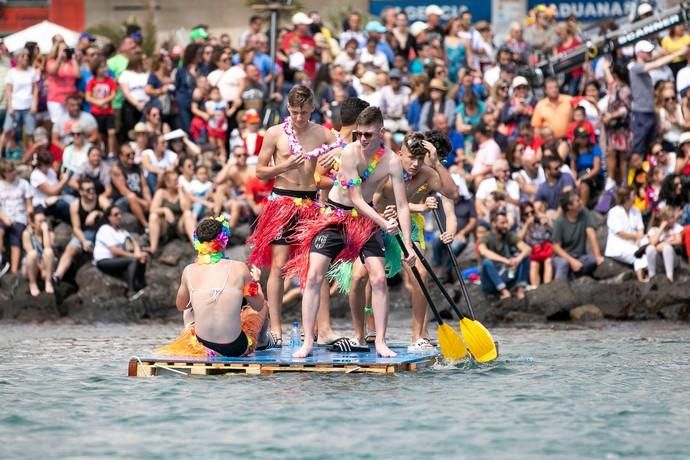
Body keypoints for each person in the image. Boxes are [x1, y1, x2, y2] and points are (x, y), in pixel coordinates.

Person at [283, 106, 415, 358]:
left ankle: (380, 342)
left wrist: (408, 245)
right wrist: (384, 222)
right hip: (337, 216)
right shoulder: (349, 154)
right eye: (359, 134)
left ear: (381, 132)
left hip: (365, 223)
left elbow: (402, 205)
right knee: (313, 276)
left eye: (368, 134)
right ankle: (308, 342)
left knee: (378, 278)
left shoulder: (392, 161)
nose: (362, 139)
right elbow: (356, 199)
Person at [248, 85, 340, 347]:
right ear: (288, 109)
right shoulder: (275, 133)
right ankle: (275, 328)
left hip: (310, 203)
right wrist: (285, 165)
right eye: (295, 112)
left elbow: (344, 152)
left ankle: (321, 329)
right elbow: (260, 171)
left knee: (315, 267)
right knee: (278, 266)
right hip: (282, 202)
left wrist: (333, 164)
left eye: (304, 112)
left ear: (312, 109)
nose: (299, 117)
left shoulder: (322, 133)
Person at [348, 132, 457, 350]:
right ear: (401, 154)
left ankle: (418, 337)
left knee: (420, 275)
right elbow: (368, 200)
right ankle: (359, 335)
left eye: (420, 158)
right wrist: (381, 213)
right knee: (359, 276)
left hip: (407, 227)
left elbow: (452, 192)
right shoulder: (386, 167)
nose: (415, 164)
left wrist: (436, 163)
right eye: (411, 158)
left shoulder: (427, 172)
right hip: (377, 224)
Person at [629, 40, 688, 166]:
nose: (651, 53)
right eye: (647, 51)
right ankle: (631, 181)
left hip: (649, 112)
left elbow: (658, 57)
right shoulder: (635, 67)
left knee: (652, 147)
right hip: (641, 114)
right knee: (638, 150)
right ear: (639, 53)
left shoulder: (641, 66)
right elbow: (656, 64)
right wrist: (678, 53)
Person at [53, 177, 104, 283]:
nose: (91, 192)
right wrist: (84, 241)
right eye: (88, 190)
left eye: (93, 189)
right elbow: (76, 228)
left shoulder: (101, 200)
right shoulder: (75, 205)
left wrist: (97, 213)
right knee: (70, 249)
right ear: (81, 192)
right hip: (85, 233)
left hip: (102, 231)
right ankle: (58, 275)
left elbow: (111, 214)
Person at [93, 205, 148, 300]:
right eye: (115, 214)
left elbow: (133, 242)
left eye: (120, 214)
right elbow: (114, 250)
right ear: (109, 217)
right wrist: (134, 256)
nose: (119, 216)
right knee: (133, 260)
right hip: (104, 261)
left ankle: (140, 285)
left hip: (117, 260)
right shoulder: (105, 229)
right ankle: (131, 292)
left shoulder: (122, 231)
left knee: (142, 257)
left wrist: (138, 253)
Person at [478, 209, 531, 299]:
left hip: (507, 275)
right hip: (491, 282)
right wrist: (505, 260)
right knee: (487, 262)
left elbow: (527, 249)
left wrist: (517, 259)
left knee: (525, 257)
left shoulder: (509, 235)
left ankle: (520, 289)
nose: (506, 225)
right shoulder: (485, 237)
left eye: (506, 222)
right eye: (502, 223)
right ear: (494, 223)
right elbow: (483, 251)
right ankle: (503, 291)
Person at [552, 190, 604, 280]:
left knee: (592, 260)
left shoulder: (584, 213)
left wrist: (598, 256)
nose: (581, 202)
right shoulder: (559, 222)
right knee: (564, 264)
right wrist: (571, 261)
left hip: (580, 256)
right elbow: (556, 247)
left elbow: (591, 234)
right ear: (569, 206)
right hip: (563, 257)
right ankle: (559, 289)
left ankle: (573, 277)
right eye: (577, 201)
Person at [148, 170, 196, 257]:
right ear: (167, 183)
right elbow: (152, 209)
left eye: (177, 179)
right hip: (166, 225)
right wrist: (165, 210)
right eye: (175, 180)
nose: (177, 182)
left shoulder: (182, 191)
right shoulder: (161, 192)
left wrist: (181, 192)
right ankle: (153, 249)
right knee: (153, 217)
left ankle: (196, 245)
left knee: (188, 214)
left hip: (179, 225)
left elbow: (186, 208)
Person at [604, 186, 647, 281]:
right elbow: (620, 234)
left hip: (634, 242)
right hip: (618, 246)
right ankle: (641, 279)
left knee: (646, 246)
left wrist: (639, 239)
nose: (635, 197)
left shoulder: (636, 211)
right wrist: (637, 237)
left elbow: (640, 228)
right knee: (638, 254)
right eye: (633, 195)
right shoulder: (614, 212)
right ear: (626, 197)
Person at [0, 159, 33, 277]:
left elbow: (29, 204)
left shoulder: (23, 183)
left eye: (13, 170)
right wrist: (4, 218)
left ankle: (13, 272)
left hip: (19, 216)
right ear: (4, 173)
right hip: (3, 215)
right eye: (9, 171)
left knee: (16, 240)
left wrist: (30, 217)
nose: (13, 173)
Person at [110, 144, 151, 228]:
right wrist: (141, 202)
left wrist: (148, 201)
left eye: (133, 153)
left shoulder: (138, 167)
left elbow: (144, 186)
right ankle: (145, 225)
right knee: (131, 196)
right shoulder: (117, 169)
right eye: (128, 155)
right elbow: (123, 191)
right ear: (121, 156)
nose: (131, 156)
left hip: (137, 198)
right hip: (122, 201)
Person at [4, 48, 38, 148]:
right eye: (23, 56)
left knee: (30, 132)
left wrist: (34, 104)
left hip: (28, 106)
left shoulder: (32, 71)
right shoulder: (12, 72)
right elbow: (9, 91)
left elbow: (35, 89)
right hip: (15, 106)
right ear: (17, 58)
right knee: (7, 131)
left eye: (27, 56)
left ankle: (31, 156)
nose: (26, 58)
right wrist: (10, 106)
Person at [85, 57, 117, 155]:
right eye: (101, 67)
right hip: (96, 112)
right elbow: (88, 97)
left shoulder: (110, 81)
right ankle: (100, 152)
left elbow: (113, 94)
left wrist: (104, 100)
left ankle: (111, 153)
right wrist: (97, 102)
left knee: (111, 132)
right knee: (99, 135)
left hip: (108, 112)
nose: (104, 69)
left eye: (105, 67)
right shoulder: (92, 82)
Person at [30, 151, 71, 224]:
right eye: (47, 165)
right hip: (43, 204)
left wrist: (61, 180)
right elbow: (52, 192)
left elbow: (57, 185)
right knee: (63, 205)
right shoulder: (36, 175)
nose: (49, 166)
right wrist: (64, 180)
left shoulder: (50, 171)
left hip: (55, 198)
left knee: (71, 194)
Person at [518, 201, 553, 288]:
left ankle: (547, 287)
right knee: (534, 264)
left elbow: (554, 233)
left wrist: (548, 223)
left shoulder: (540, 221)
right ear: (522, 215)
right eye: (527, 213)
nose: (530, 215)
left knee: (548, 261)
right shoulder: (521, 225)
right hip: (533, 252)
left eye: (532, 212)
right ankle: (535, 289)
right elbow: (518, 239)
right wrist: (526, 225)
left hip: (546, 250)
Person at [645, 206, 683, 282]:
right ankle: (651, 275)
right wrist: (661, 228)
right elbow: (652, 242)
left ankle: (670, 277)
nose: (672, 220)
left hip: (674, 259)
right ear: (663, 220)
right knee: (650, 248)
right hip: (659, 261)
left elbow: (679, 241)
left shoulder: (676, 227)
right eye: (670, 218)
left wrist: (665, 243)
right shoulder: (654, 230)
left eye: (673, 217)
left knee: (667, 248)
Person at [22, 212, 55, 296]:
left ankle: (48, 282)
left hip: (45, 265)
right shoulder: (27, 234)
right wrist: (41, 269)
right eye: (40, 221)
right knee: (33, 254)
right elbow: (30, 253)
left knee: (48, 251)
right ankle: (32, 283)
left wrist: (45, 231)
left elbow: (48, 247)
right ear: (33, 223)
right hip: (32, 266)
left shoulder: (50, 234)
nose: (43, 223)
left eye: (44, 221)